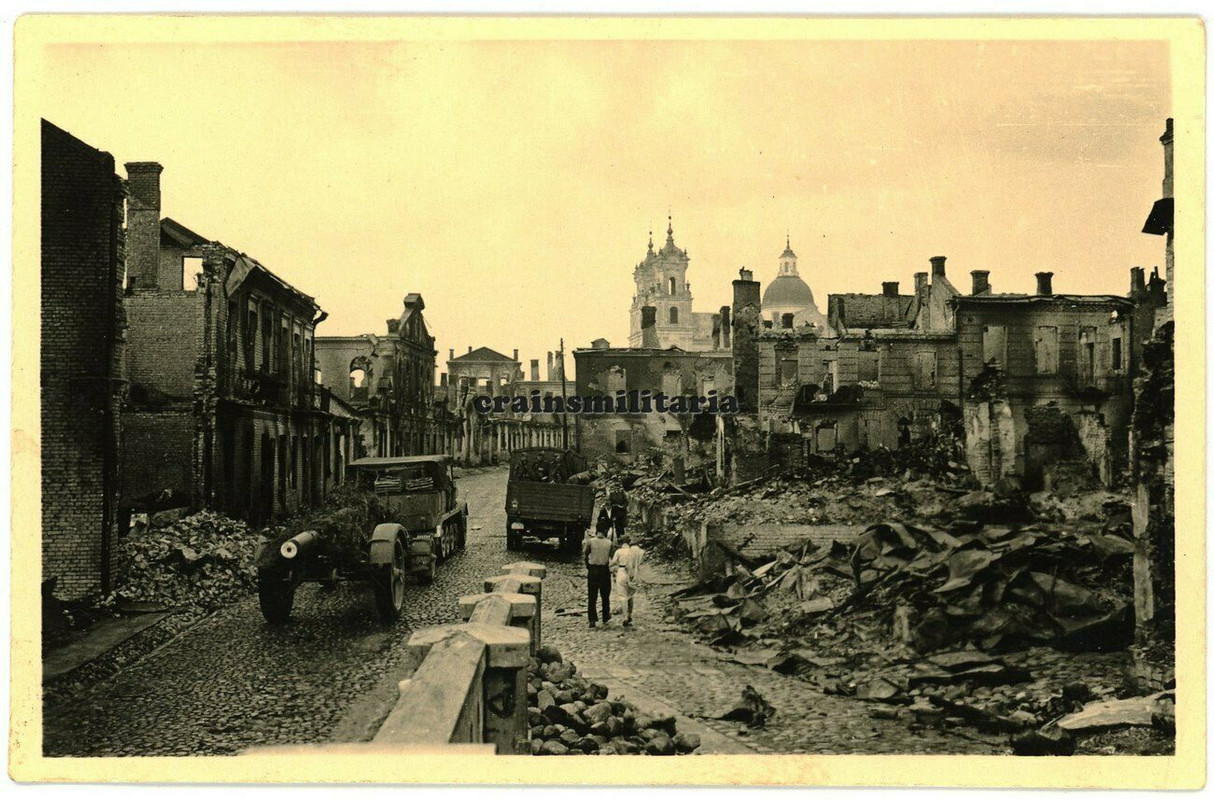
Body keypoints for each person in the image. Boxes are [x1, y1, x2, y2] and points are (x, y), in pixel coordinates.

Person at [582, 525, 615, 628]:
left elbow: (585, 554)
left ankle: (592, 619)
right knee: (605, 595)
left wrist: (588, 566)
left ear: (596, 531)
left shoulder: (591, 541)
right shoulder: (609, 543)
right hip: (604, 570)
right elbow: (613, 557)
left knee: (592, 596)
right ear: (605, 531)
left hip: (593, 570)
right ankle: (605, 616)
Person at [609, 534, 645, 627]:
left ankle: (625, 617)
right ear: (629, 542)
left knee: (622, 595)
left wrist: (608, 566)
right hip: (632, 573)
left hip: (621, 572)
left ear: (621, 542)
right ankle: (629, 615)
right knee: (631, 595)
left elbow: (613, 563)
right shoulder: (633, 551)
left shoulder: (619, 551)